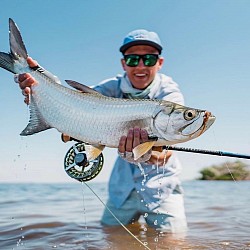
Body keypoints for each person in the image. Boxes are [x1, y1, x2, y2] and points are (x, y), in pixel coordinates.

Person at [16, 29, 187, 233]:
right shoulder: (110, 87)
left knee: (174, 242)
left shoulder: (169, 94)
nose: (141, 66)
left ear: (159, 63)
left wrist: (147, 153)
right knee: (110, 238)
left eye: (149, 59)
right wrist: (42, 88)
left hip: (161, 187)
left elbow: (166, 151)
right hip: (121, 188)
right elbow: (74, 104)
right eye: (133, 60)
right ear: (124, 63)